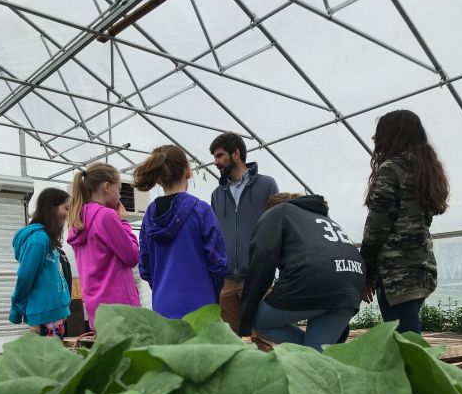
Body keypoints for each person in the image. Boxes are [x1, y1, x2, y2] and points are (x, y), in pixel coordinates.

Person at [360, 109, 449, 334]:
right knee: (408, 339)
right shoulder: (425, 170)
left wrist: (366, 273)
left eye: (379, 134)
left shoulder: (391, 169)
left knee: (407, 345)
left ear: (391, 136)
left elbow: (377, 228)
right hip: (421, 266)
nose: (375, 139)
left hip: (396, 273)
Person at [239, 192, 365, 351]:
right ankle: (314, 354)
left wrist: (245, 318)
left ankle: (308, 354)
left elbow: (262, 258)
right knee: (316, 356)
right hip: (353, 283)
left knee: (260, 321)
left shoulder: (278, 211)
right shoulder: (322, 219)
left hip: (314, 279)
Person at [134, 144, 227, 318]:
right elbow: (218, 263)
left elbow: (145, 268)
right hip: (201, 308)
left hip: (163, 307)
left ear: (159, 178)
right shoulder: (201, 210)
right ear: (188, 171)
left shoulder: (149, 217)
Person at [209, 132, 278, 349]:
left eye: (219, 155)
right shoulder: (216, 195)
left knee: (264, 340)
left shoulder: (266, 185)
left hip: (258, 276)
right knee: (229, 344)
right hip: (226, 280)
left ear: (236, 153)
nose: (215, 162)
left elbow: (277, 228)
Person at [67, 162, 140, 329]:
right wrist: (124, 222)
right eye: (119, 190)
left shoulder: (77, 220)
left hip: (96, 309)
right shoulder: (105, 216)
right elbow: (132, 256)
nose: (120, 196)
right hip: (120, 309)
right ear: (107, 187)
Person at [9, 187, 71, 340]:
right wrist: (17, 309)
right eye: (66, 208)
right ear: (52, 208)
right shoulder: (39, 240)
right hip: (45, 314)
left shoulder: (47, 239)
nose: (68, 213)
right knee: (49, 360)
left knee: (54, 359)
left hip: (54, 311)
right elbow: (25, 277)